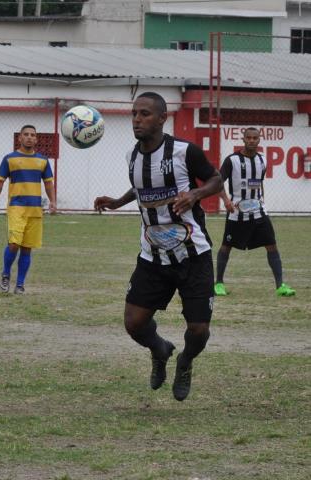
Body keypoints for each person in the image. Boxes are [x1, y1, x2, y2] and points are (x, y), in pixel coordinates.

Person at [93, 92, 223, 401]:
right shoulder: (132, 157)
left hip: (193, 255)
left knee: (199, 330)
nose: (137, 119)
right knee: (134, 324)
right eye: (134, 114)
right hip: (152, 255)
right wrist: (118, 201)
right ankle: (160, 349)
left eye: (145, 114)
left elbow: (216, 180)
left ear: (162, 118)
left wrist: (195, 194)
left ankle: (186, 361)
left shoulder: (184, 152)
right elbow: (142, 187)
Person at [214, 127, 295, 297]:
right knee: (226, 246)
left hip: (258, 211)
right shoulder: (232, 160)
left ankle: (280, 285)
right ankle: (218, 283)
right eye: (248, 138)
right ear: (243, 140)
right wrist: (226, 201)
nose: (251, 140)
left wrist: (262, 199)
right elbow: (218, 182)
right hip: (237, 212)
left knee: (271, 244)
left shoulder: (263, 161)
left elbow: (258, 183)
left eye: (255, 138)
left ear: (259, 140)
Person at [0, 124, 57, 294]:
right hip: (16, 208)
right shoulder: (9, 159)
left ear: (36, 139)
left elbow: (48, 183)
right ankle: (6, 274)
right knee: (14, 244)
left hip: (35, 209)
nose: (29, 137)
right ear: (19, 138)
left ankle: (20, 285)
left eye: (32, 135)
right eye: (25, 134)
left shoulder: (42, 160)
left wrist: (53, 201)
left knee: (27, 247)